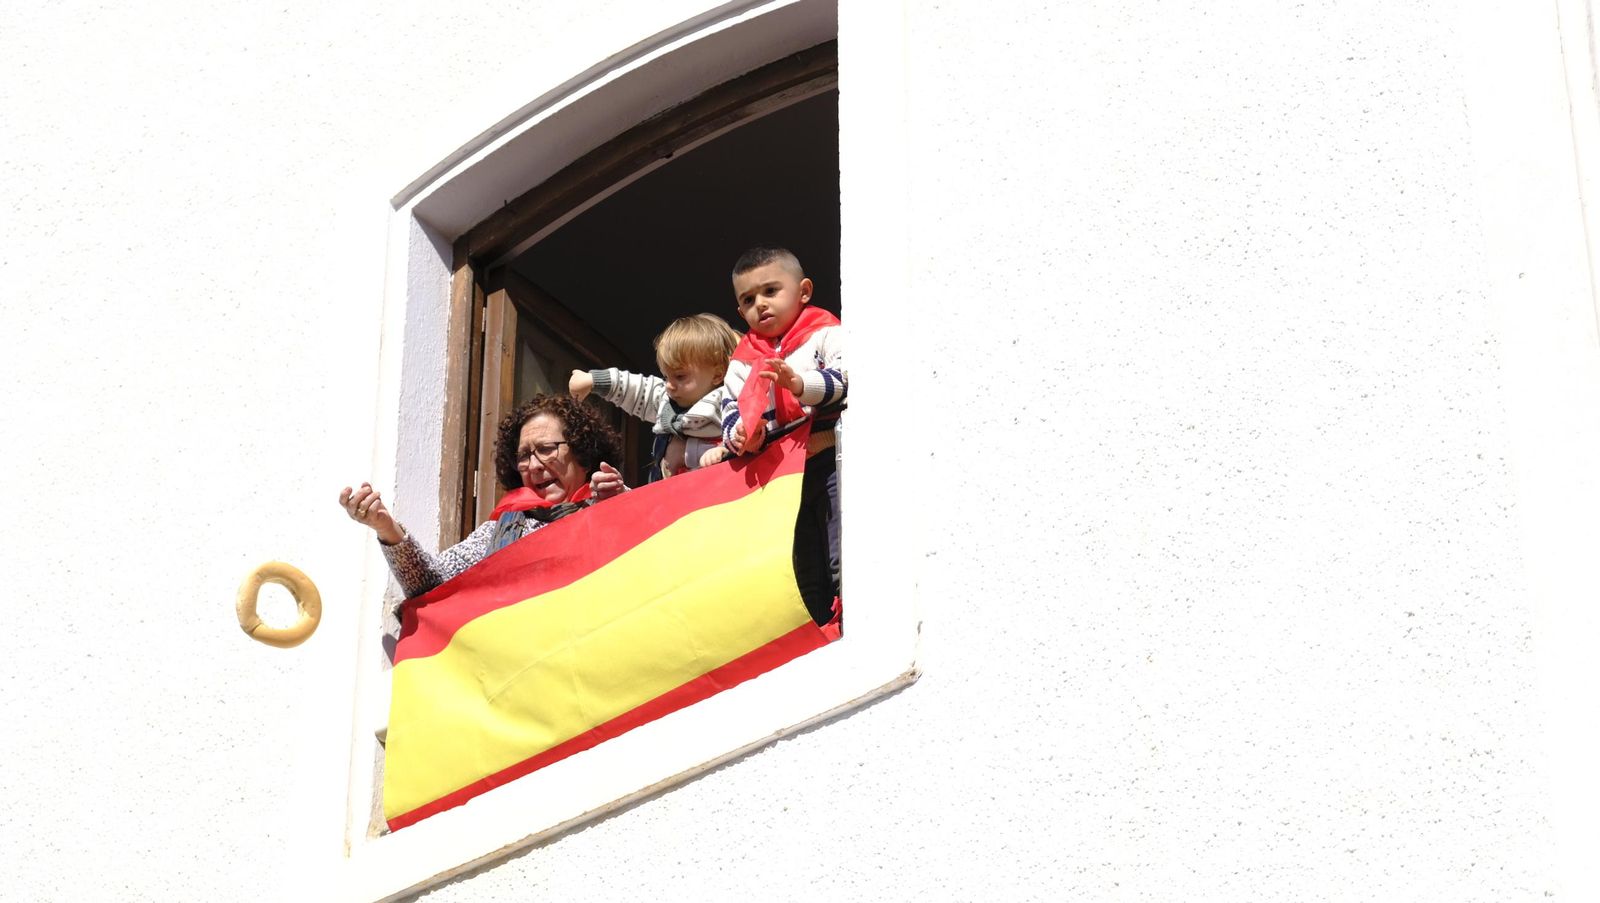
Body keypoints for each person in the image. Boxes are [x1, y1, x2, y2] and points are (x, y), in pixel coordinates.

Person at [339, 394, 626, 598]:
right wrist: (386, 527)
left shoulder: (614, 505)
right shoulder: (502, 528)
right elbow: (430, 584)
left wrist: (621, 504)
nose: (535, 465)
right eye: (524, 455)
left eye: (547, 449)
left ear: (583, 455)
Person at [719, 247, 846, 625]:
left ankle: (849, 622)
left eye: (771, 291)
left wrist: (798, 383)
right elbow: (729, 413)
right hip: (781, 477)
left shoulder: (825, 333)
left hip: (828, 463)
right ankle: (817, 629)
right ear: (740, 313)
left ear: (803, 291)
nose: (760, 304)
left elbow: (846, 380)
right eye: (748, 299)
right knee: (799, 561)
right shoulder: (742, 361)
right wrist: (743, 434)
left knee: (840, 550)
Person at [568, 313, 740, 480]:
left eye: (680, 376)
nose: (669, 385)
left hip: (713, 497)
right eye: (666, 376)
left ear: (718, 374)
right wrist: (593, 381)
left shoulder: (730, 404)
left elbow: (748, 438)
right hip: (670, 498)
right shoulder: (667, 401)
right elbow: (637, 389)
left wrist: (723, 450)